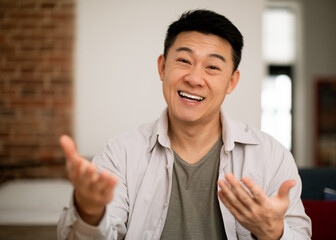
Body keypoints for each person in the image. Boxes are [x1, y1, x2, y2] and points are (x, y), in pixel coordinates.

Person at [57, 9, 311, 240]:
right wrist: (89, 213)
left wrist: (274, 233)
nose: (194, 78)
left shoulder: (271, 157)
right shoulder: (121, 154)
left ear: (232, 82)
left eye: (212, 67)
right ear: (162, 67)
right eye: (184, 61)